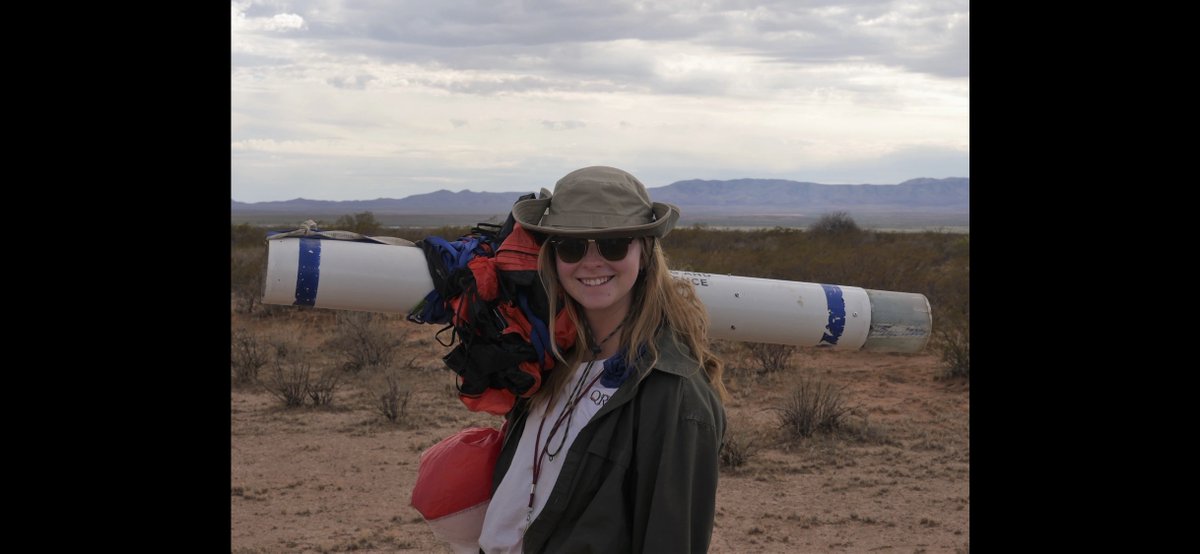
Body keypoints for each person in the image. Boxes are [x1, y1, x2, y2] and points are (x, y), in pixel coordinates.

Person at [477, 166, 729, 553]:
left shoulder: (674, 396)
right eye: (572, 247)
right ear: (553, 256)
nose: (591, 262)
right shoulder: (549, 361)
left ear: (644, 252)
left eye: (613, 244)